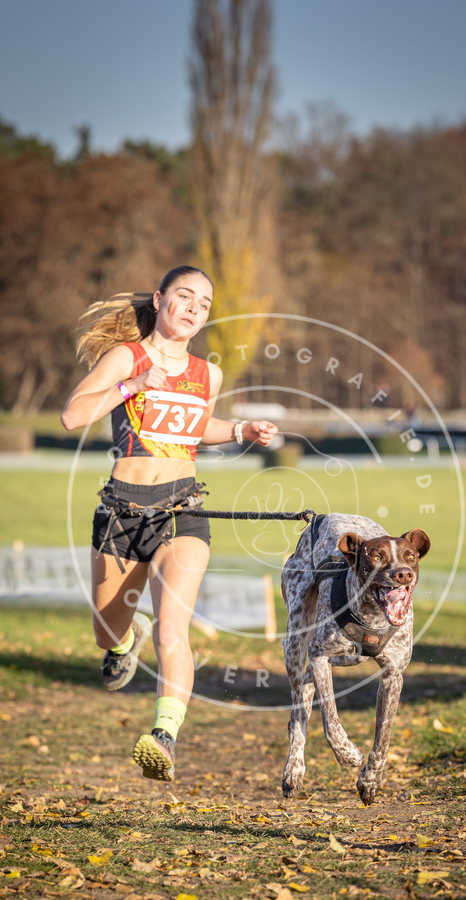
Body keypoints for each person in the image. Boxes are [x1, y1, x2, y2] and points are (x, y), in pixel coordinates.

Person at [61, 266, 278, 781]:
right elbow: (73, 415)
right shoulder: (125, 357)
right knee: (106, 630)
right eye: (185, 296)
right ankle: (121, 642)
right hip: (121, 510)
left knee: (172, 625)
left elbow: (196, 426)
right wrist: (133, 384)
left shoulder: (208, 374)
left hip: (183, 509)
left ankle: (164, 735)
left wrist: (241, 429)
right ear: (160, 300)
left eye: (203, 304)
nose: (193, 308)